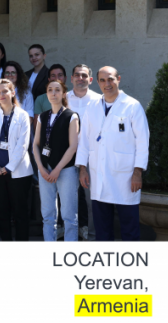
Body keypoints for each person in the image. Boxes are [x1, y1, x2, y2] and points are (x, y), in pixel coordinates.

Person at [76, 67, 149, 242]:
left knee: (129, 230)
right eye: (102, 80)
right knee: (102, 231)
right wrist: (83, 169)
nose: (107, 84)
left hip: (125, 177)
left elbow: (142, 141)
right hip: (98, 176)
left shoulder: (132, 106)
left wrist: (138, 172)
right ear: (98, 82)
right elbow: (84, 139)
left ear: (118, 79)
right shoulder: (92, 106)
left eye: (110, 79)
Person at [0, 78, 33, 241]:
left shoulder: (23, 115)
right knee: (1, 212)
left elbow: (23, 144)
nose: (1, 95)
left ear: (12, 92)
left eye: (5, 91)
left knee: (20, 213)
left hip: (19, 172)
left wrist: (9, 167)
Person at [32, 80, 80, 241]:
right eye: (50, 90)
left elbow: (73, 146)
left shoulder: (71, 116)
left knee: (69, 216)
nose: (53, 93)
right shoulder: (42, 116)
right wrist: (41, 168)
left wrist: (57, 169)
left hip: (66, 170)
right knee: (47, 215)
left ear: (64, 94)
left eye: (57, 90)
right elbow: (35, 144)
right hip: (45, 170)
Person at [68, 64, 101, 241]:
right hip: (67, 154)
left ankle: (93, 235)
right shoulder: (64, 98)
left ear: (90, 79)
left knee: (91, 198)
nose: (80, 78)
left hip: (91, 155)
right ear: (71, 78)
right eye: (77, 75)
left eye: (84, 75)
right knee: (68, 197)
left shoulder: (99, 99)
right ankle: (70, 235)